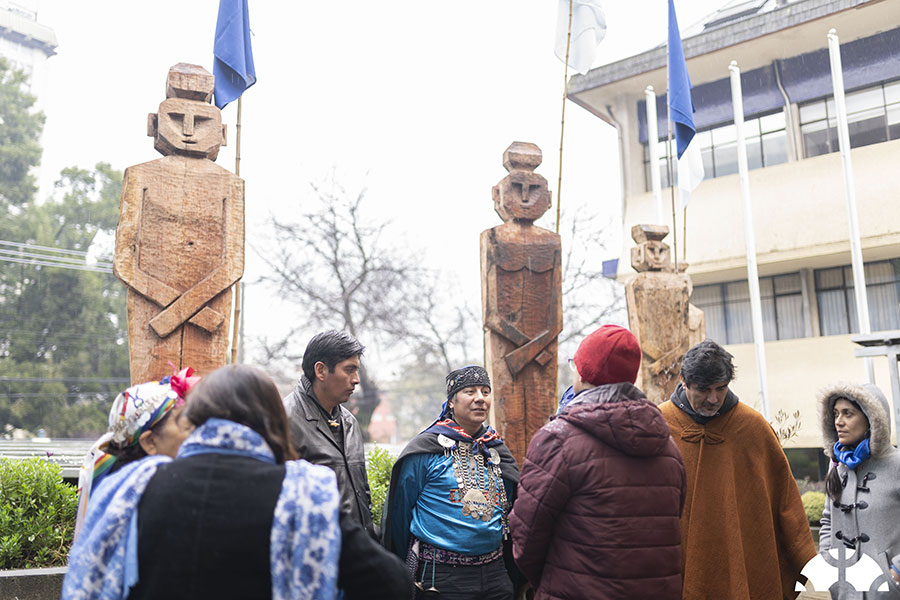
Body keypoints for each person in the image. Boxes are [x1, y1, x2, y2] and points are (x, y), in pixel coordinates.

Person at [63, 365, 413, 600]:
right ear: (274, 420)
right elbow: (392, 584)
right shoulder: (302, 494)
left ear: (197, 414)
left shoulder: (128, 490)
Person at [509, 324, 686, 600]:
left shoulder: (558, 440)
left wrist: (549, 581)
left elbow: (526, 533)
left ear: (583, 372)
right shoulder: (667, 445)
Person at [660, 339, 816, 599]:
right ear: (684, 381)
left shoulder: (752, 427)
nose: (713, 399)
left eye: (721, 388)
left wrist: (803, 557)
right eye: (703, 389)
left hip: (742, 559)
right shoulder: (660, 425)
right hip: (675, 562)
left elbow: (785, 499)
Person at [382, 365, 520, 600]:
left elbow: (513, 509)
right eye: (470, 392)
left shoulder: (496, 449)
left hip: (496, 573)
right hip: (441, 577)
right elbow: (399, 514)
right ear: (452, 402)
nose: (480, 399)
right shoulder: (426, 450)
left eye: (485, 392)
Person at [73, 367, 200, 537]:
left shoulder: (117, 486)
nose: (194, 430)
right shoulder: (152, 498)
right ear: (149, 442)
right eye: (181, 421)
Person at [283, 330, 375, 535]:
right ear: (321, 370)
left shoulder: (349, 422)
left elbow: (362, 491)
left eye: (357, 370)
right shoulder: (284, 420)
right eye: (349, 370)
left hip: (357, 552)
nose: (356, 380)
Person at [818, 381, 900, 598]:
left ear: (871, 419)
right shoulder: (836, 464)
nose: (839, 422)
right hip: (844, 589)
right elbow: (827, 520)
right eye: (835, 414)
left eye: (848, 413)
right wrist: (827, 561)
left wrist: (896, 572)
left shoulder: (897, 464)